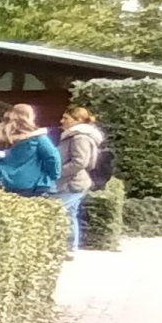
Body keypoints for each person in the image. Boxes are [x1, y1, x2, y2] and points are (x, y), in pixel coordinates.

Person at [0, 104, 60, 196]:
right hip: (28, 186)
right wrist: (53, 176)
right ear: (30, 117)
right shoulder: (37, 137)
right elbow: (52, 157)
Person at [54, 107, 104, 250]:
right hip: (74, 181)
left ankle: (65, 247)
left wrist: (57, 172)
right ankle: (71, 247)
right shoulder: (75, 135)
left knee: (57, 211)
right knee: (69, 214)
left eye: (66, 118)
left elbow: (80, 162)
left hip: (73, 183)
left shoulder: (79, 137)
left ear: (79, 120)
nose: (61, 121)